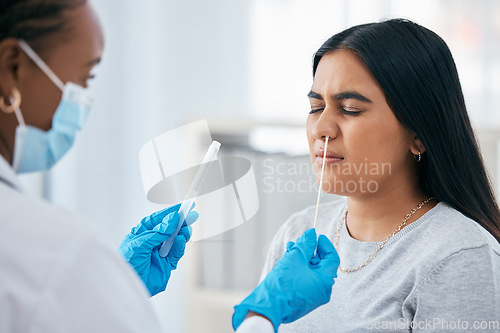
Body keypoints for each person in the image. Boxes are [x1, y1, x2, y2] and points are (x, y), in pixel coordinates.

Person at [0, 1, 340, 332]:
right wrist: (262, 316)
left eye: (351, 108)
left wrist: (116, 285)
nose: (324, 128)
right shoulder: (54, 252)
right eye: (84, 79)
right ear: (12, 66)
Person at [257, 19, 500, 332]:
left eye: (350, 109)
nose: (321, 129)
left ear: (420, 135)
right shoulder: (299, 234)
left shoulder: (458, 256)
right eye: (316, 106)